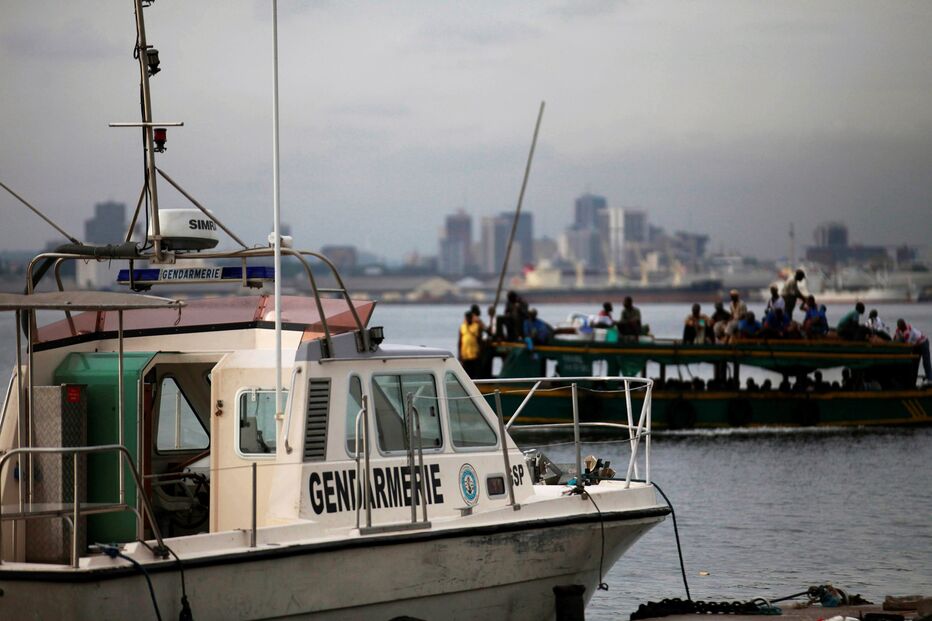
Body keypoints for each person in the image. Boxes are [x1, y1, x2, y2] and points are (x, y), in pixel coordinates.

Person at [458, 310, 481, 377]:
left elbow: (479, 340)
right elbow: (460, 341)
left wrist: (479, 352)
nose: (467, 319)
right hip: (465, 355)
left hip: (474, 355)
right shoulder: (462, 327)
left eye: (469, 317)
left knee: (474, 373)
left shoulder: (476, 326)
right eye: (466, 317)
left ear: (471, 318)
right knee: (465, 374)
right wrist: (459, 354)